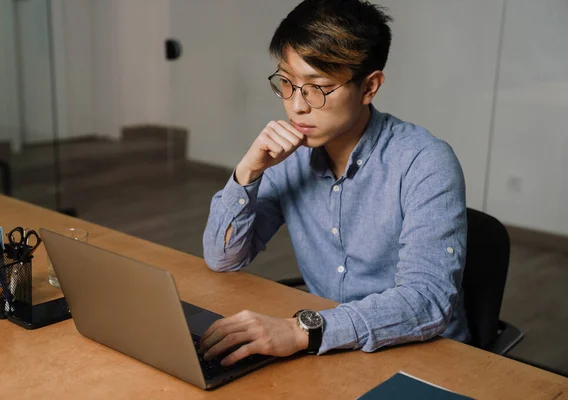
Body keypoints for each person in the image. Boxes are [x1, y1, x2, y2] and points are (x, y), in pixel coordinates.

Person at [199, 0, 470, 367]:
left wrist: (301, 331)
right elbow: (223, 258)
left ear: (369, 87)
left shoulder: (425, 162)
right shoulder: (289, 153)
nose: (296, 106)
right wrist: (248, 172)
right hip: (329, 347)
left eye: (318, 88)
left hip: (421, 354)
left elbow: (426, 301)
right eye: (287, 83)